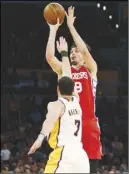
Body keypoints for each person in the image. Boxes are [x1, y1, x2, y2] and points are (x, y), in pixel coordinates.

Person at [45, 6, 102, 173]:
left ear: (84, 58)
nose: (73, 53)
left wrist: (71, 26)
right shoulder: (65, 69)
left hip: (88, 123)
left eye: (76, 51)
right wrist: (53, 29)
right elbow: (49, 57)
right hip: (68, 125)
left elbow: (84, 49)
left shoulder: (90, 70)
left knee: (91, 168)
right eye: (71, 51)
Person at [28, 37, 90, 173]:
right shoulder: (77, 101)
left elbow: (49, 122)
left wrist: (40, 137)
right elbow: (67, 75)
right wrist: (64, 54)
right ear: (73, 89)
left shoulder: (56, 105)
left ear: (57, 89)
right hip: (81, 156)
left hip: (64, 155)